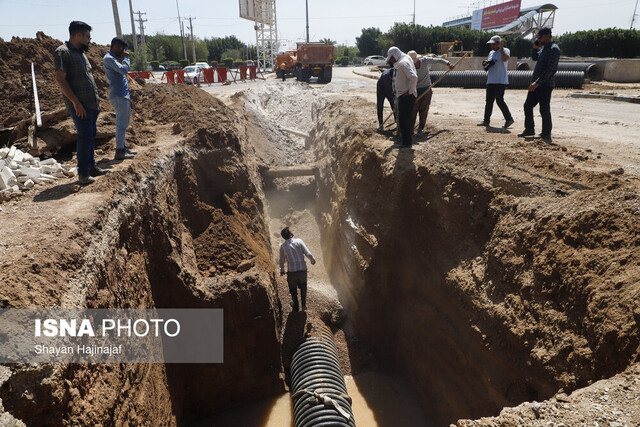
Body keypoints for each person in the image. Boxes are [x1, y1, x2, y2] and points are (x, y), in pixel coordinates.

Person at [54, 21, 110, 185]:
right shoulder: (62, 52)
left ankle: (92, 167)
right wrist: (75, 102)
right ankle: (83, 173)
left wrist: (97, 102)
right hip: (79, 106)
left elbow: (89, 80)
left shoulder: (81, 54)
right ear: (78, 35)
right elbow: (61, 80)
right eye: (87, 37)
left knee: (91, 135)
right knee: (85, 136)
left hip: (91, 105)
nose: (89, 41)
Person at [518, 27, 560, 141]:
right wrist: (535, 48)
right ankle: (529, 129)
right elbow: (535, 58)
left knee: (544, 109)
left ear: (547, 36)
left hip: (545, 85)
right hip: (537, 84)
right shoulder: (544, 48)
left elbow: (551, 69)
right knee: (528, 106)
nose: (539, 39)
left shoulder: (554, 49)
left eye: (540, 37)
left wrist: (537, 83)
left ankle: (546, 134)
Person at [103, 37, 137, 161]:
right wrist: (127, 58)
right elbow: (124, 70)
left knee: (124, 123)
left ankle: (122, 147)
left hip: (122, 94)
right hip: (119, 95)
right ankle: (119, 151)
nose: (123, 52)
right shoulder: (109, 59)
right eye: (122, 49)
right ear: (116, 47)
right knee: (121, 124)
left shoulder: (113, 59)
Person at [408, 51, 454, 137]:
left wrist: (448, 64)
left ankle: (420, 129)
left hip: (426, 89)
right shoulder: (408, 65)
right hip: (414, 90)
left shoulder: (424, 60)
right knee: (413, 110)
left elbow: (438, 60)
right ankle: (410, 129)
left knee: (424, 110)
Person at [478, 36, 514, 129]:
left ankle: (509, 119)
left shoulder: (505, 50)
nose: (492, 45)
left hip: (500, 81)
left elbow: (505, 59)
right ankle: (486, 120)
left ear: (499, 43)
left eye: (493, 44)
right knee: (489, 101)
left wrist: (501, 48)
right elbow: (490, 63)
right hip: (491, 80)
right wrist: (487, 62)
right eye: (491, 44)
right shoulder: (491, 53)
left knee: (500, 101)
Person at [385, 46, 417, 147]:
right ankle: (406, 142)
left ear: (395, 56)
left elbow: (414, 77)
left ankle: (406, 144)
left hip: (406, 96)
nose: (391, 60)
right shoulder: (405, 58)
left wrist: (410, 92)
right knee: (405, 120)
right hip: (404, 95)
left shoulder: (403, 63)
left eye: (391, 58)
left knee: (404, 121)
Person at [279, 227, 316, 312]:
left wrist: (282, 270)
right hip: (302, 270)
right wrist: (312, 259)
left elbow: (281, 260)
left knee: (293, 289)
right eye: (291, 230)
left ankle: (296, 306)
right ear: (290, 234)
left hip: (292, 272)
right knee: (303, 286)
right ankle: (303, 305)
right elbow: (307, 252)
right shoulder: (299, 241)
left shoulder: (282, 247)